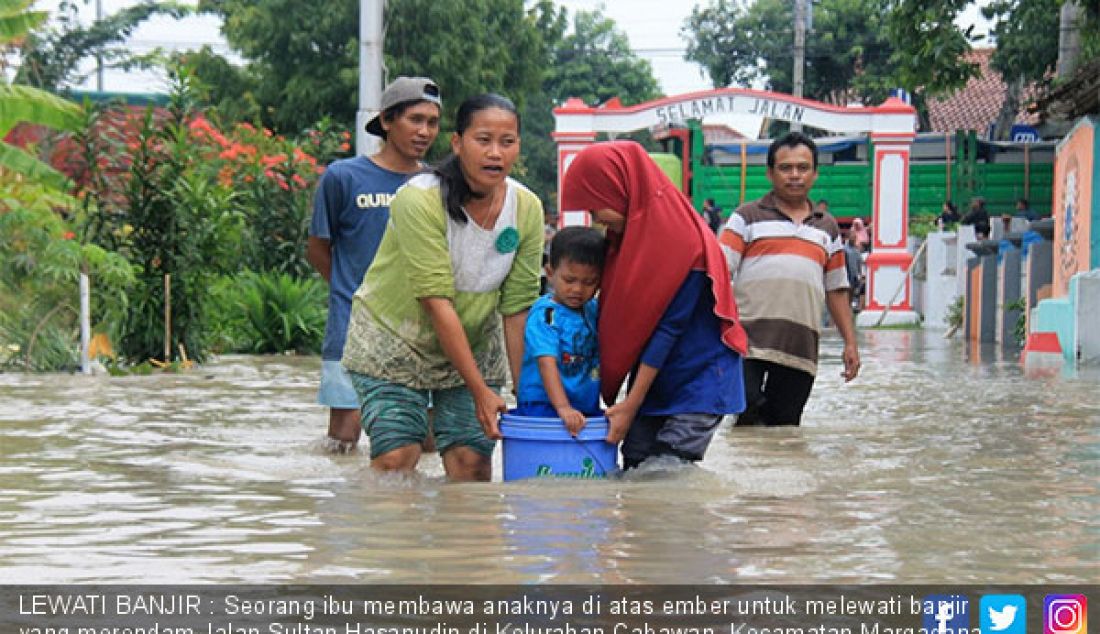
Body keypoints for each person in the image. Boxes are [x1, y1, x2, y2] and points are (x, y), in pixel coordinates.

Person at [341, 94, 543, 481]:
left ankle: (465, 544)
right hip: (394, 339)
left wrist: (528, 397)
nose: (495, 153)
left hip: (474, 343)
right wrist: (480, 391)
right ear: (457, 143)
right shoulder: (419, 199)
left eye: (507, 142)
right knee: (397, 458)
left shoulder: (527, 209)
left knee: (472, 463)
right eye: (483, 140)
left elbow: (517, 310)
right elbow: (437, 302)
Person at [560, 141, 748, 470]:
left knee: (667, 471)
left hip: (700, 380)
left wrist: (630, 405)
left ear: (618, 189)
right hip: (657, 378)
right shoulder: (628, 242)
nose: (596, 219)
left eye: (596, 207)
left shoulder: (684, 242)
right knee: (635, 464)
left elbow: (668, 328)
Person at [306, 76, 442, 453]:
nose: (424, 131)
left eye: (432, 122)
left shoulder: (437, 185)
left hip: (420, 329)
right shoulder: (343, 177)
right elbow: (318, 248)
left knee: (425, 441)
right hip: (352, 327)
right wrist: (355, 293)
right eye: (415, 119)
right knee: (344, 439)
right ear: (386, 120)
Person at [719, 131, 860, 427]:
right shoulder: (746, 218)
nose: (794, 175)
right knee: (746, 420)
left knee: (784, 431)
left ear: (815, 174)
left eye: (802, 168)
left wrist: (851, 343)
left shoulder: (828, 228)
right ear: (770, 173)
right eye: (786, 168)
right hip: (746, 345)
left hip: (800, 349)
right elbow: (719, 273)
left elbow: (836, 289)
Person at [515, 226, 605, 436]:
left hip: (584, 406)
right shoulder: (545, 315)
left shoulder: (593, 310)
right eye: (569, 280)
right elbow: (546, 362)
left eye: (589, 282)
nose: (577, 289)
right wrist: (563, 407)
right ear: (550, 273)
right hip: (543, 406)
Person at [843, 231, 865, 313]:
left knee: (852, 294)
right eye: (852, 237)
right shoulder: (844, 249)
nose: (853, 239)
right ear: (848, 238)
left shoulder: (856, 251)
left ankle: (849, 309)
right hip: (846, 275)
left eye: (855, 237)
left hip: (854, 277)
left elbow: (860, 264)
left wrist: (861, 274)